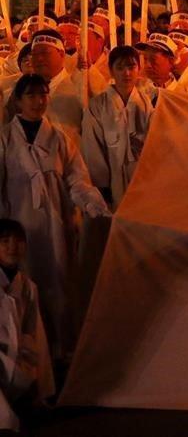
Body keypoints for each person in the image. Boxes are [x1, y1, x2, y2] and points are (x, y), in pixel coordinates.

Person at [0, 74, 108, 362]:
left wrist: (93, 205)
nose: (39, 101)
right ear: (19, 100)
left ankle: (61, 354)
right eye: (32, 96)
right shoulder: (5, 138)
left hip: (54, 227)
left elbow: (77, 179)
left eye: (43, 95)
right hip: (18, 229)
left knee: (58, 287)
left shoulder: (60, 138)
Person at [81, 46, 152, 207]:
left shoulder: (148, 102)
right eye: (120, 68)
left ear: (138, 69)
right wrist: (102, 186)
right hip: (113, 179)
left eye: (131, 67)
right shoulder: (98, 106)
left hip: (142, 178)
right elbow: (93, 148)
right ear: (111, 72)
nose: (126, 73)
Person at [0, 220, 54, 432]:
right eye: (5, 241)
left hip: (17, 360)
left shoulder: (28, 287)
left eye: (18, 241)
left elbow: (33, 332)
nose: (13, 247)